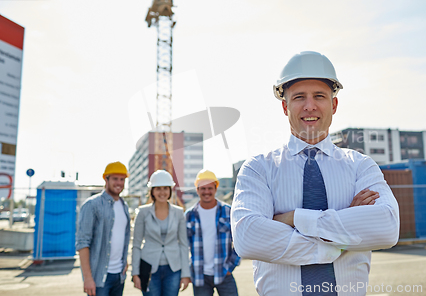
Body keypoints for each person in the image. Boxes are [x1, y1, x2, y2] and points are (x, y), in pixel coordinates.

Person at [231, 51, 400, 296]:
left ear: (334, 104)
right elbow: (248, 238)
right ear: (284, 106)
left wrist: (293, 218)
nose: (310, 105)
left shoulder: (360, 166)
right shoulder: (258, 168)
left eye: (319, 96)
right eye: (299, 97)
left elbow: (386, 227)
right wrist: (342, 235)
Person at [132, 170, 191, 296]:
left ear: (170, 190)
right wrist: (135, 273)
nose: (162, 192)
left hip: (173, 269)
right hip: (148, 268)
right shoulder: (142, 212)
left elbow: (183, 244)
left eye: (165, 188)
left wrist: (185, 274)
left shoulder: (179, 212)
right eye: (158, 188)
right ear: (152, 191)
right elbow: (136, 245)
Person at [76, 161, 131, 296]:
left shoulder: (124, 206)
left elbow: (121, 237)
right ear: (106, 179)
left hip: (119, 275)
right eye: (115, 179)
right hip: (100, 277)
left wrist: (124, 261)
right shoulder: (92, 205)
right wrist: (88, 278)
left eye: (122, 179)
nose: (119, 183)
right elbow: (83, 243)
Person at [185, 169, 241, 296]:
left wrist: (231, 265)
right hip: (200, 276)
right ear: (197, 189)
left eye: (210, 188)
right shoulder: (189, 215)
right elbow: (183, 245)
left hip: (224, 273)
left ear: (216, 188)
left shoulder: (228, 212)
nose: (206, 192)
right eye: (203, 188)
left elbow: (240, 240)